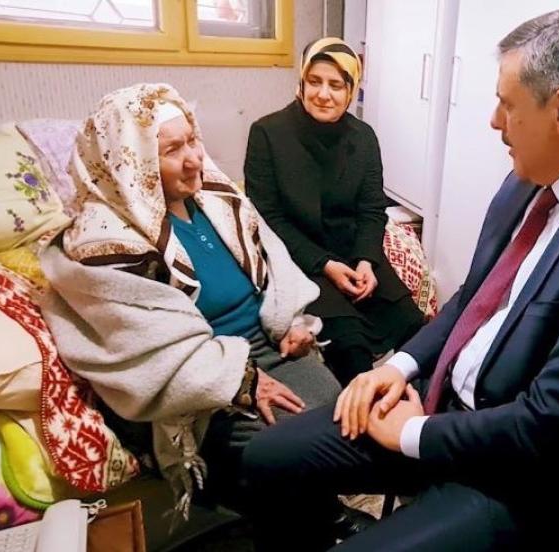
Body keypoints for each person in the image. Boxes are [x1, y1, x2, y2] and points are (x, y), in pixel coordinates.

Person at [241, 8, 559, 551]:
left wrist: (411, 433)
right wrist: (398, 367)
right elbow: (472, 299)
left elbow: (554, 425)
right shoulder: (531, 177)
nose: (493, 121)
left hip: (524, 476)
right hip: (445, 408)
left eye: (507, 104)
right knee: (267, 457)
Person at [37, 83, 342, 520]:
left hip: (264, 345)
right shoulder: (104, 245)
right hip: (202, 381)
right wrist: (241, 381)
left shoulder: (218, 200)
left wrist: (291, 320)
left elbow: (274, 264)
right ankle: (319, 525)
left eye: (193, 140)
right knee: (282, 440)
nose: (194, 158)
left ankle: (326, 515)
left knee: (330, 398)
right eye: (172, 150)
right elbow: (141, 345)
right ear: (134, 163)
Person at [244, 37, 425, 386]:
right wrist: (325, 264)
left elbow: (372, 209)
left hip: (355, 254)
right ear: (301, 83)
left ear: (350, 90)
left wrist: (367, 261)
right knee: (350, 346)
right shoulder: (267, 133)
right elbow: (267, 218)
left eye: (336, 85)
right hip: (301, 258)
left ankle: (423, 410)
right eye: (314, 81)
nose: (323, 94)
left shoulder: (363, 137)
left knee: (414, 328)